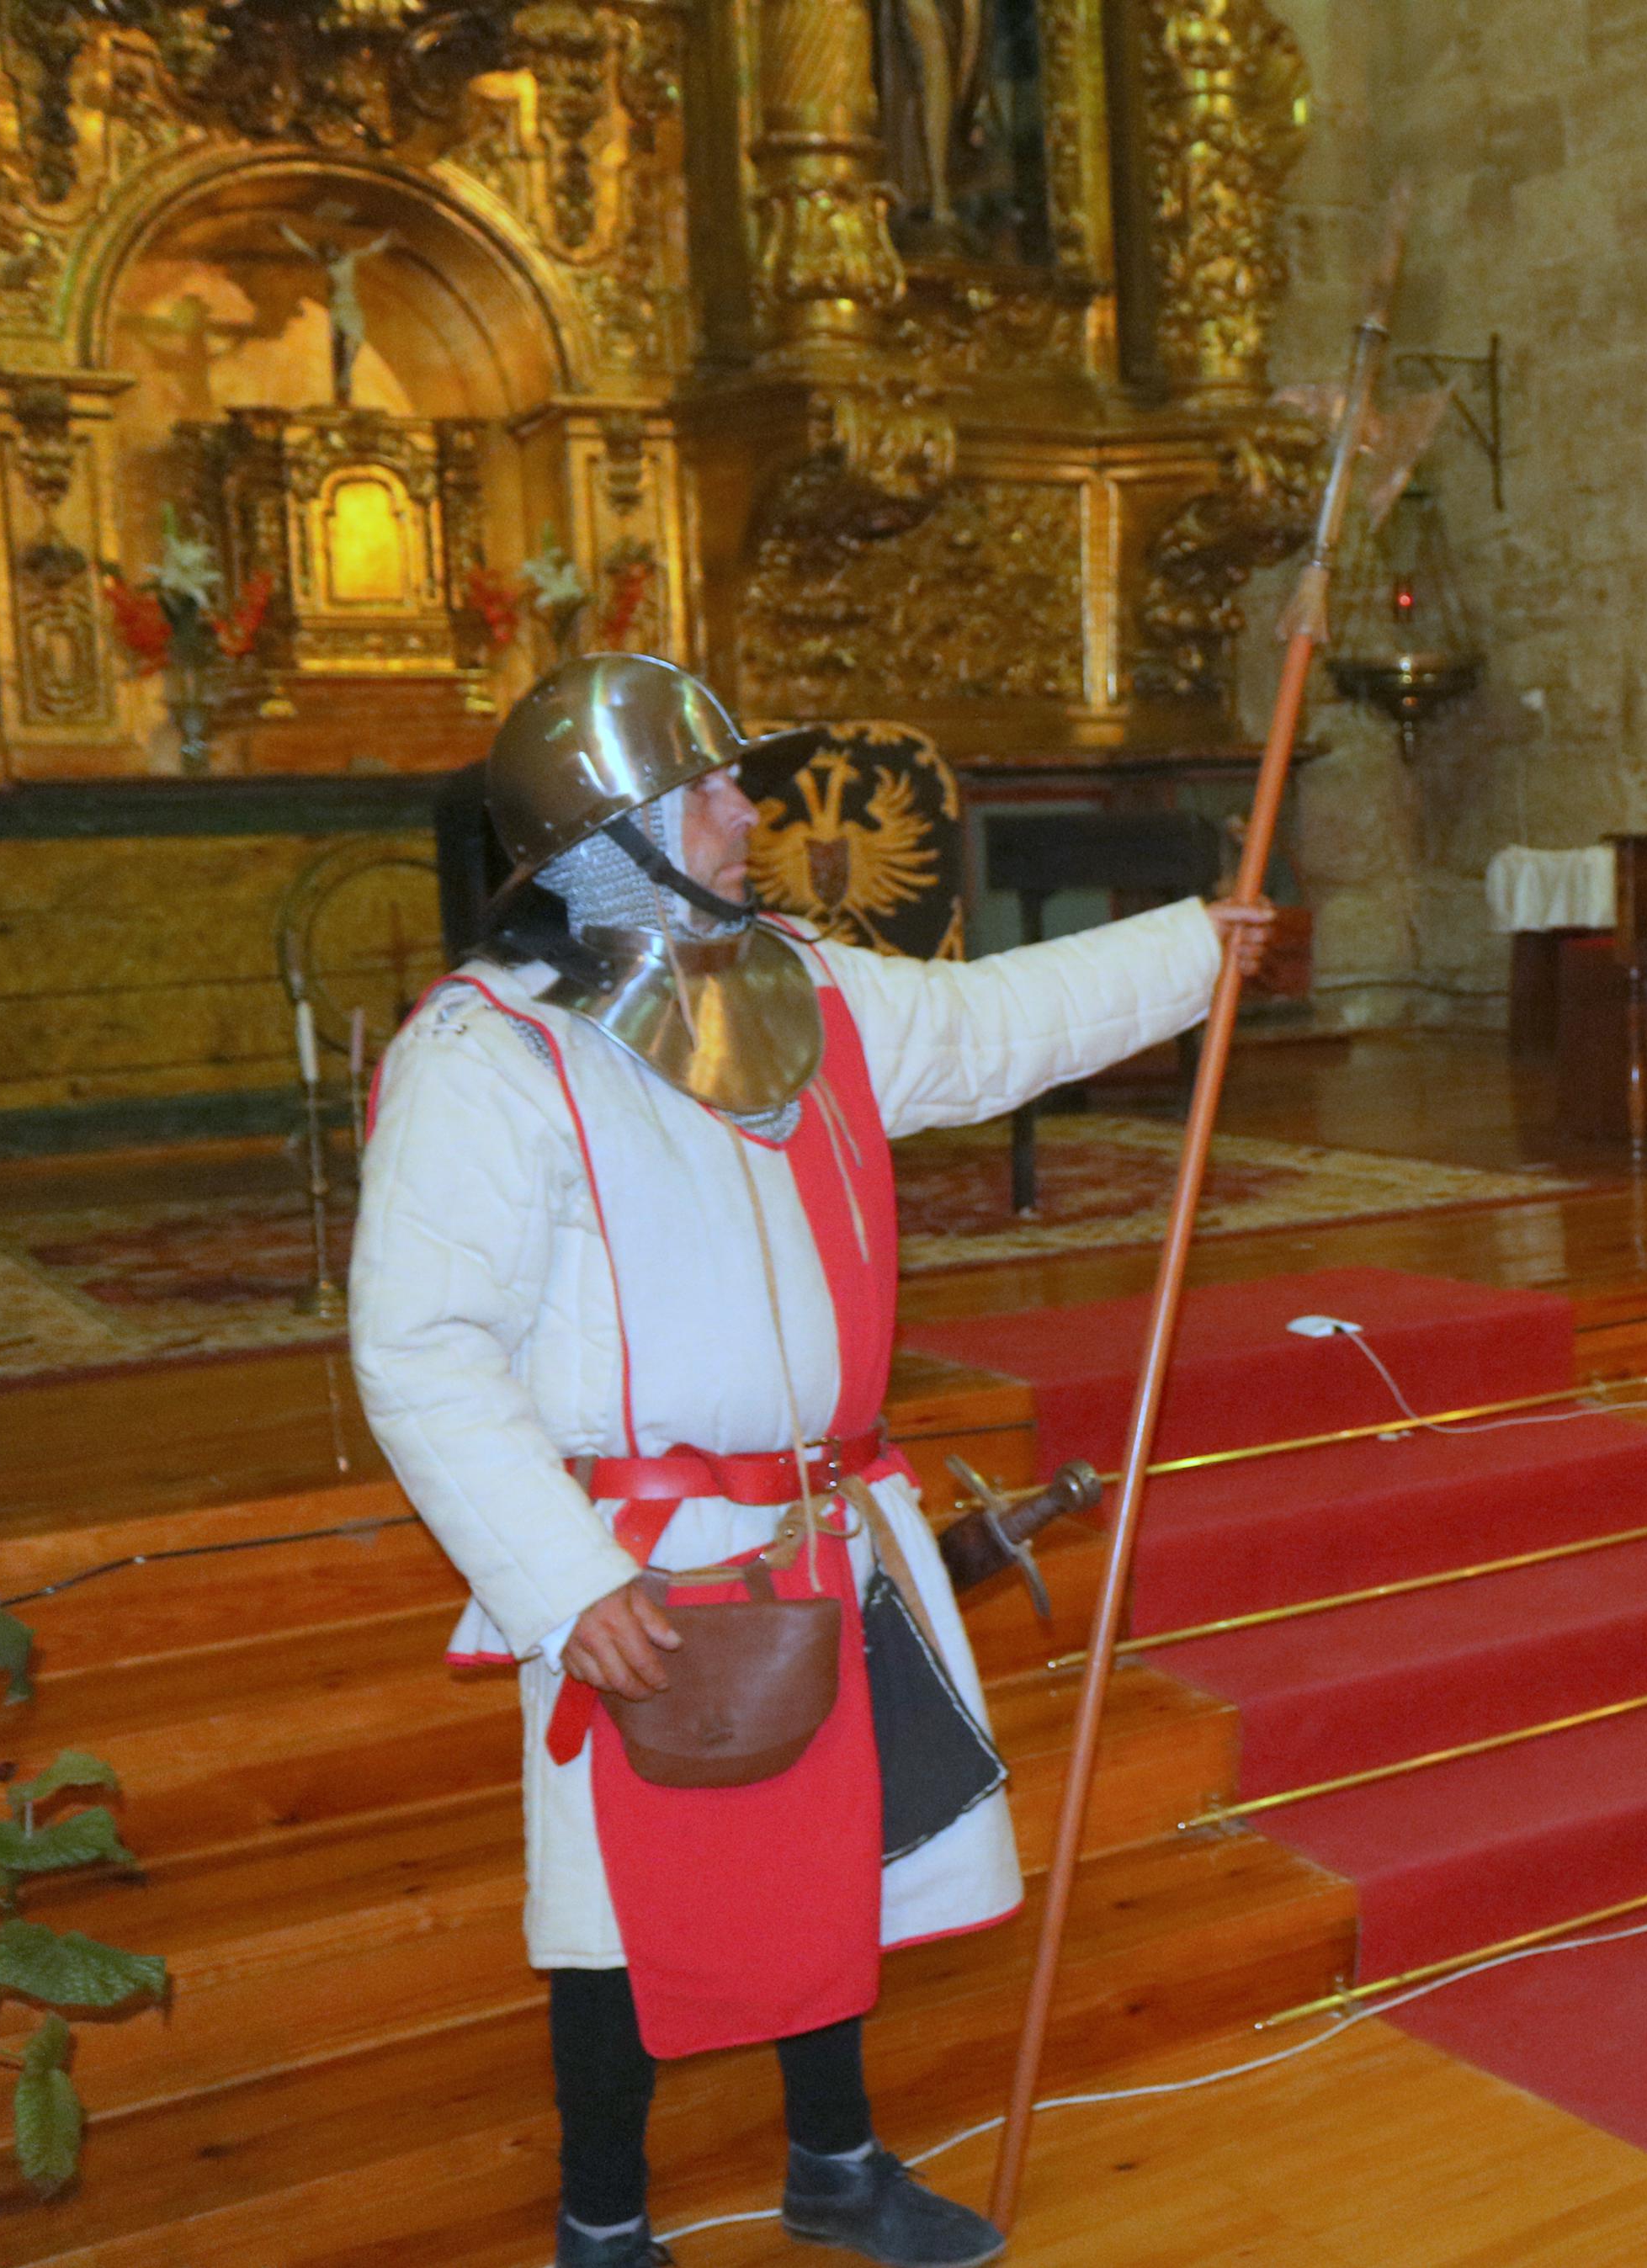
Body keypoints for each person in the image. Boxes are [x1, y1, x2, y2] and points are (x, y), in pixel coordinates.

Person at [350, 655, 1271, 2268]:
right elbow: (422, 1350)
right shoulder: (489, 1058)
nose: (744, 807)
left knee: (826, 1864)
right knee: (621, 1916)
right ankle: (604, 2225)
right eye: (705, 789)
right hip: (635, 1557)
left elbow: (995, 1022)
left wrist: (1200, 949)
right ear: (603, 835)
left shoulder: (804, 989)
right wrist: (564, 1579)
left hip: (826, 1521)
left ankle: (834, 2168)